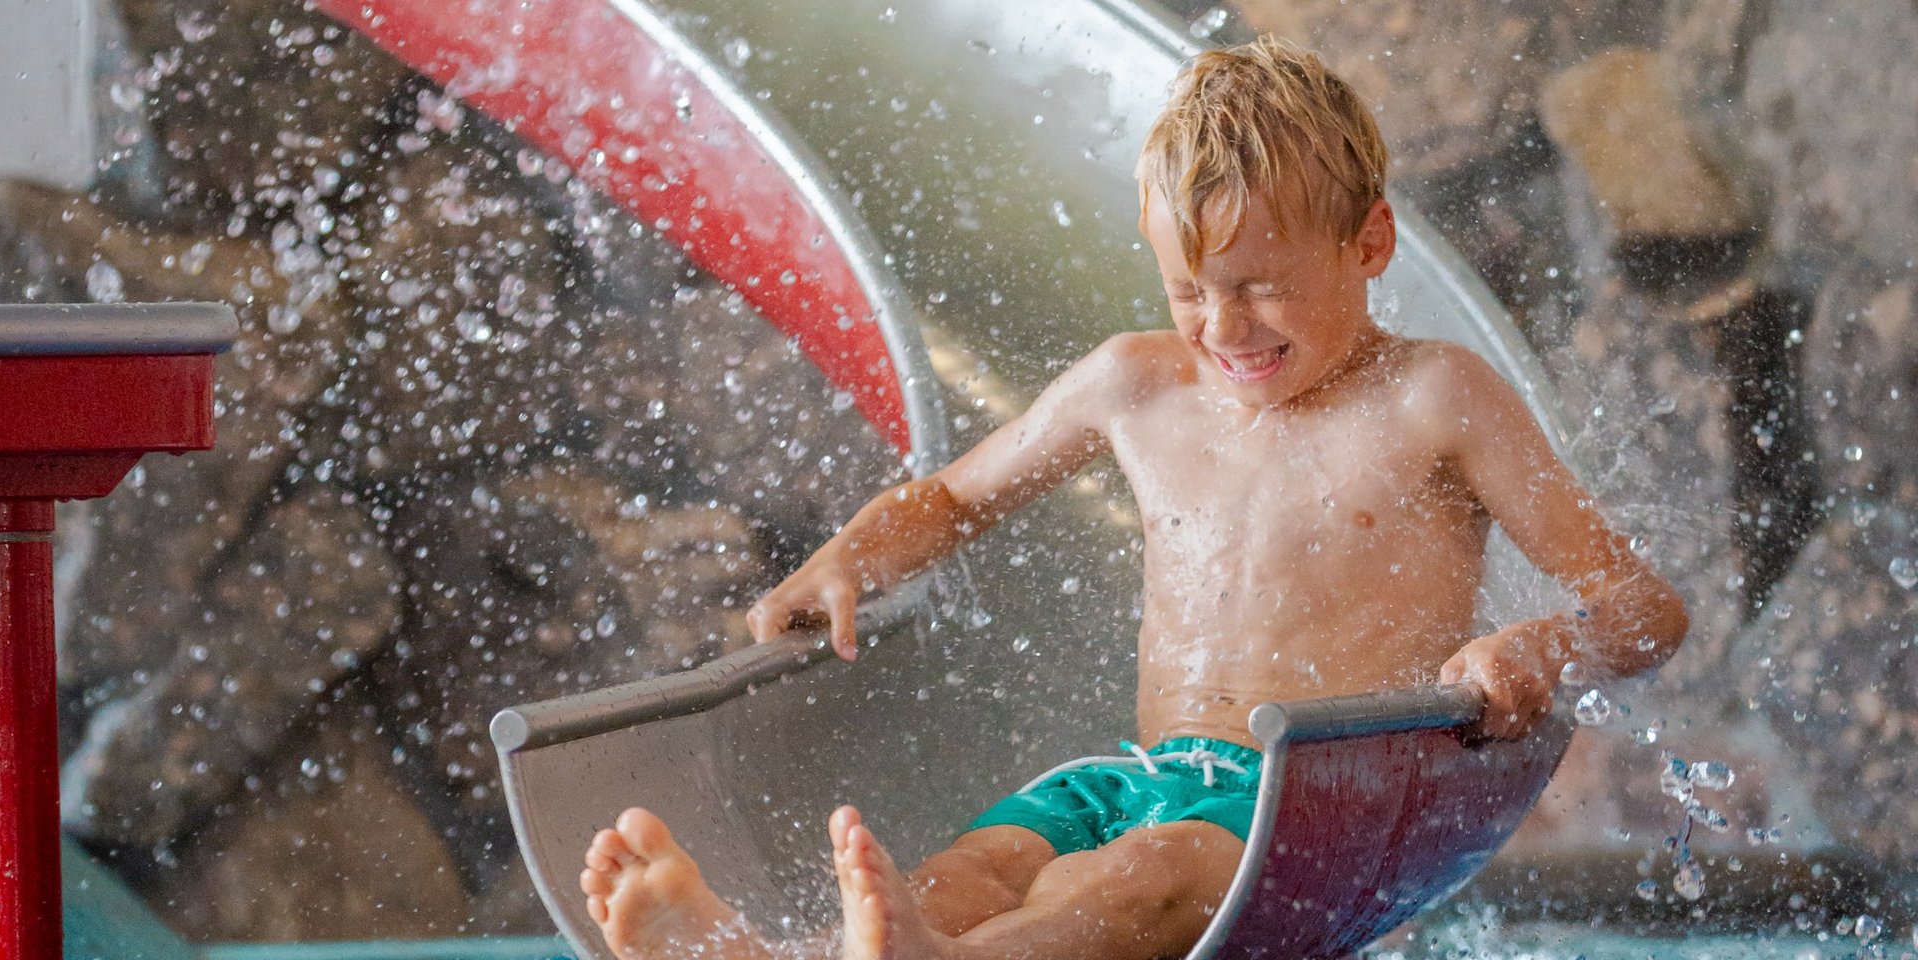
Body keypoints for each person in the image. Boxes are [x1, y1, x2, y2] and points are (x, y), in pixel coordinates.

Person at [579, 34, 1688, 960]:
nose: (1225, 329)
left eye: (1262, 288)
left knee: (1140, 876)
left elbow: (1643, 608)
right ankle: (771, 957)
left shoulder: (1437, 399)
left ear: (1370, 243)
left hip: (1302, 820)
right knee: (982, 866)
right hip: (1147, 773)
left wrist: (1545, 646)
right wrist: (852, 557)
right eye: (1189, 290)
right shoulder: (1135, 381)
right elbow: (956, 500)